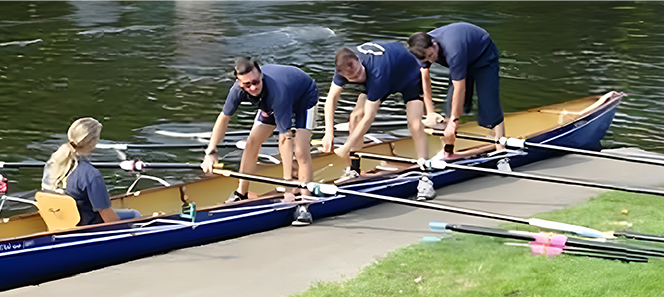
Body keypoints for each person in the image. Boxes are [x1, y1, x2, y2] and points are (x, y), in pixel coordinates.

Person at [319, 41, 437, 200]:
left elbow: (369, 117)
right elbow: (330, 100)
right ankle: (354, 169)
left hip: (408, 74)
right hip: (383, 73)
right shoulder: (343, 68)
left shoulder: (376, 71)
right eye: (352, 78)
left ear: (359, 61)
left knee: (414, 124)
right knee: (355, 117)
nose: (357, 78)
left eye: (358, 73)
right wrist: (328, 132)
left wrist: (345, 147)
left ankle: (425, 175)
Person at [201, 58, 320, 204]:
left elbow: (285, 139)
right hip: (271, 102)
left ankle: (305, 196)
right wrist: (211, 151)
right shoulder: (236, 91)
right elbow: (224, 118)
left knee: (300, 151)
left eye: (256, 82)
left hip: (304, 97)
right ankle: (241, 193)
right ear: (240, 83)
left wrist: (287, 187)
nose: (252, 88)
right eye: (247, 84)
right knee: (252, 142)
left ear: (261, 76)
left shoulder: (278, 92)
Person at [407, 22, 506, 156]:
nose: (430, 61)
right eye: (426, 59)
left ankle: (500, 146)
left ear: (434, 44)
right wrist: (430, 112)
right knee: (449, 104)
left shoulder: (453, 50)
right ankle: (448, 150)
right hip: (463, 52)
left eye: (431, 56)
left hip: (483, 54)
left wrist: (453, 122)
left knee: (488, 101)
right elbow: (425, 78)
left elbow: (460, 88)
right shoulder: (420, 50)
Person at [42, 117, 141, 226]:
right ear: (92, 142)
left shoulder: (52, 163)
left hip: (61, 222)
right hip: (86, 226)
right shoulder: (91, 174)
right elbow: (109, 219)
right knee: (135, 214)